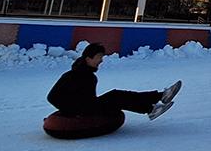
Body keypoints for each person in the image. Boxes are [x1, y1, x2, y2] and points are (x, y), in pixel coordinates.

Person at [47, 43, 181, 120]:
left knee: (116, 95)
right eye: (99, 57)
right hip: (82, 112)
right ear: (88, 59)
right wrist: (72, 111)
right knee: (116, 97)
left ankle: (158, 99)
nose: (101, 60)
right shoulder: (74, 76)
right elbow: (52, 97)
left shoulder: (86, 75)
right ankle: (154, 105)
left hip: (86, 107)